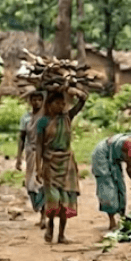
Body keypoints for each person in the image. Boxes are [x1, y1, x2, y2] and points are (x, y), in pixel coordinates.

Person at [35, 89, 87, 243]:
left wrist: (75, 91)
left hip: (67, 162)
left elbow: (83, 100)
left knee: (66, 199)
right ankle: (50, 226)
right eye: (57, 103)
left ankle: (62, 235)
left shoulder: (67, 117)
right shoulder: (43, 122)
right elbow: (38, 146)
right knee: (53, 199)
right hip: (50, 162)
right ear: (49, 104)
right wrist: (38, 167)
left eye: (63, 103)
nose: (61, 106)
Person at [16, 89, 46, 228]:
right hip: (30, 154)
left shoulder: (45, 117)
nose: (37, 102)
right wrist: (18, 158)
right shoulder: (26, 118)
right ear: (30, 101)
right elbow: (22, 138)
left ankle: (44, 216)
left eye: (39, 99)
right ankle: (38, 209)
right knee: (30, 185)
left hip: (44, 154)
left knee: (42, 184)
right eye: (34, 100)